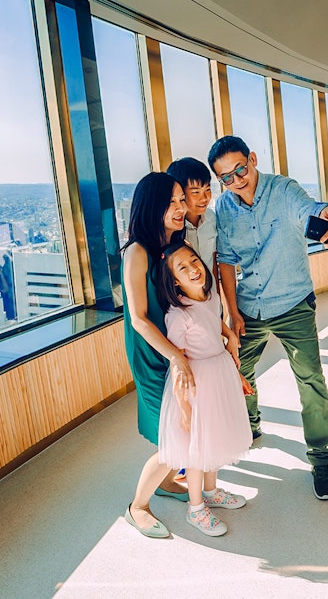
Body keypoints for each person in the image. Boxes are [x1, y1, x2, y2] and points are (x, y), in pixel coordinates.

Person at [209, 135, 328, 501]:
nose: (237, 179)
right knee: (238, 370)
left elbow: (311, 210)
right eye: (226, 176)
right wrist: (232, 311)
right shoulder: (224, 208)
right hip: (249, 308)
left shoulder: (283, 189)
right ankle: (251, 425)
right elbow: (225, 260)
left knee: (310, 380)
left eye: (241, 169)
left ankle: (320, 457)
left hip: (292, 303)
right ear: (220, 181)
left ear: (252, 159)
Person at [121, 172, 210, 539]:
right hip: (154, 352)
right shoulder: (137, 251)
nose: (181, 207)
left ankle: (168, 482)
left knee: (185, 424)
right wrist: (176, 357)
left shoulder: (173, 244)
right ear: (152, 206)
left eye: (181, 200)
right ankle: (137, 507)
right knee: (173, 434)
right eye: (171, 202)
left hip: (176, 348)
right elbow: (140, 319)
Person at [154, 242, 252, 537]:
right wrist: (184, 409)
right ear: (174, 280)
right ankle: (195, 509)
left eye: (194, 261)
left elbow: (216, 323)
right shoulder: (177, 314)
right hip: (197, 383)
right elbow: (177, 362)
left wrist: (233, 352)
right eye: (182, 268)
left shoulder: (209, 297)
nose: (193, 269)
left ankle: (211, 492)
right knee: (196, 449)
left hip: (219, 372)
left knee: (215, 439)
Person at [166, 157, 218, 279]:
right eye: (195, 192)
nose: (205, 198)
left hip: (211, 294)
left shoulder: (212, 218)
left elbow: (214, 262)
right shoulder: (172, 228)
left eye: (208, 190)